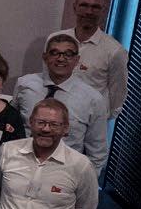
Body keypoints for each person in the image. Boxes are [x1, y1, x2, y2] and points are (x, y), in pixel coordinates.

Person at [12, 34, 109, 171]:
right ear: (45, 57)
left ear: (77, 60)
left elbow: (97, 152)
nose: (61, 58)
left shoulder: (93, 99)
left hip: (64, 171)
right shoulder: (25, 84)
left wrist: (84, 180)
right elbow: (11, 125)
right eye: (54, 53)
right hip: (21, 166)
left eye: (68, 54)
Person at [53, 0, 127, 118]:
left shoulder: (115, 51)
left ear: (103, 10)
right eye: (84, 5)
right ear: (75, 7)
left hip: (89, 122)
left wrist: (98, 121)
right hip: (53, 116)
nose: (89, 12)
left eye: (95, 7)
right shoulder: (55, 40)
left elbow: (117, 96)